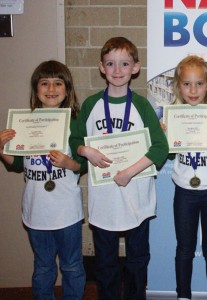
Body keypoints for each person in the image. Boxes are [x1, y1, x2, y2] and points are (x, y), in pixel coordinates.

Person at [69, 37, 169, 300]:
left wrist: (129, 172)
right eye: (110, 64)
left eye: (124, 64)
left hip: (136, 196)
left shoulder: (142, 106)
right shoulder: (91, 105)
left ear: (135, 67)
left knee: (137, 260)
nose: (117, 70)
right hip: (104, 200)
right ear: (101, 67)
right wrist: (85, 150)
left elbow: (160, 148)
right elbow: (75, 141)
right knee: (105, 264)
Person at [0, 60, 86, 299]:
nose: (51, 89)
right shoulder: (26, 123)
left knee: (72, 267)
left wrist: (68, 163)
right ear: (35, 89)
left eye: (58, 83)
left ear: (67, 90)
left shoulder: (75, 123)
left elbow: (84, 164)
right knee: (43, 268)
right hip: (36, 212)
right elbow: (17, 164)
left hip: (67, 212)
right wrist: (1, 149)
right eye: (44, 83)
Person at [167, 55, 207, 300]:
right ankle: (183, 295)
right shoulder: (172, 115)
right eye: (186, 84)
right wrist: (164, 134)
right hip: (184, 191)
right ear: (178, 86)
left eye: (199, 84)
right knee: (184, 248)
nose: (193, 90)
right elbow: (164, 149)